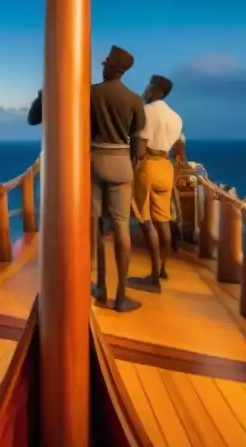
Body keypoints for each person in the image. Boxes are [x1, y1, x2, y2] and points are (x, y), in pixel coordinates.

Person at [89, 45, 146, 313]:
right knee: (122, 226)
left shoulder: (91, 92)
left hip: (93, 160)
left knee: (96, 225)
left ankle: (99, 286)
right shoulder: (135, 100)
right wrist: (133, 164)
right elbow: (138, 142)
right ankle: (121, 296)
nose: (102, 65)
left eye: (106, 63)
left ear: (112, 67)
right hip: (121, 162)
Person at [131, 75, 184, 285]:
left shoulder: (146, 111)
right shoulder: (177, 118)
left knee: (146, 220)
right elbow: (177, 147)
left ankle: (153, 275)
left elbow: (141, 148)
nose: (146, 89)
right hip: (166, 168)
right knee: (163, 220)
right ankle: (163, 268)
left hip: (149, 166)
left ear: (154, 90)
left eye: (148, 87)